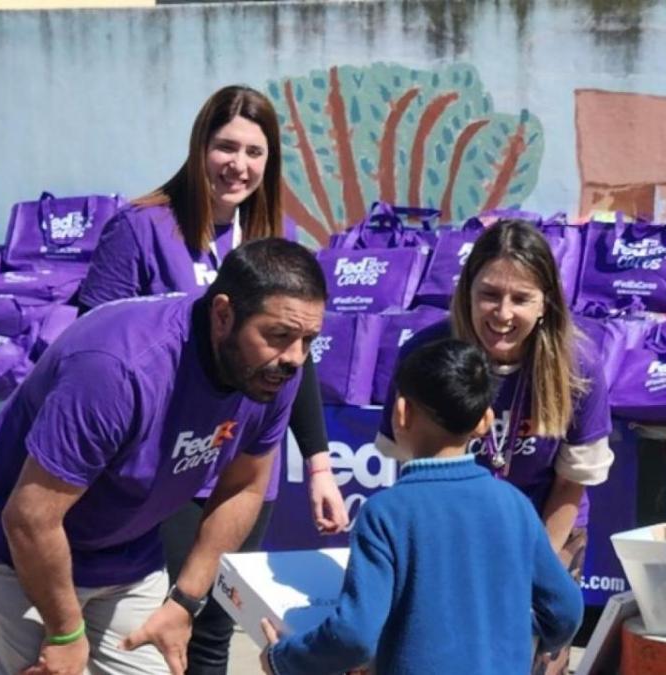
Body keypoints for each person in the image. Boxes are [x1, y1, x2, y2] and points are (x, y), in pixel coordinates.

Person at [0, 238, 327, 675]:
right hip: (20, 552)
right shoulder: (118, 369)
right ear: (223, 315)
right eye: (279, 336)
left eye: (308, 340)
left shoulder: (272, 373)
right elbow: (31, 518)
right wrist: (64, 634)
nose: (295, 359)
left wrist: (186, 601)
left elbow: (244, 487)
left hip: (126, 550)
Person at [76, 85, 348, 674]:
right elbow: (91, 344)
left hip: (245, 470)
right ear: (200, 146)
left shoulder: (270, 243)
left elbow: (297, 356)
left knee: (214, 634)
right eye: (227, 147)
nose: (239, 165)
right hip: (162, 472)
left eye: (255, 152)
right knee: (164, 627)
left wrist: (319, 465)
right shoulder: (142, 227)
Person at [259, 338, 584, 674]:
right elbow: (565, 610)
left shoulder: (386, 513)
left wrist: (283, 659)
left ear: (401, 412)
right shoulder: (514, 505)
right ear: (484, 421)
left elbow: (354, 636)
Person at [374, 219, 613, 675]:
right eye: (489, 293)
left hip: (547, 528)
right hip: (452, 534)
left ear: (546, 304)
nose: (502, 313)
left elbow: (570, 486)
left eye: (521, 298)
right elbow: (410, 467)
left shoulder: (578, 367)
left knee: (535, 657)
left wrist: (529, 568)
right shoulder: (427, 354)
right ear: (467, 290)